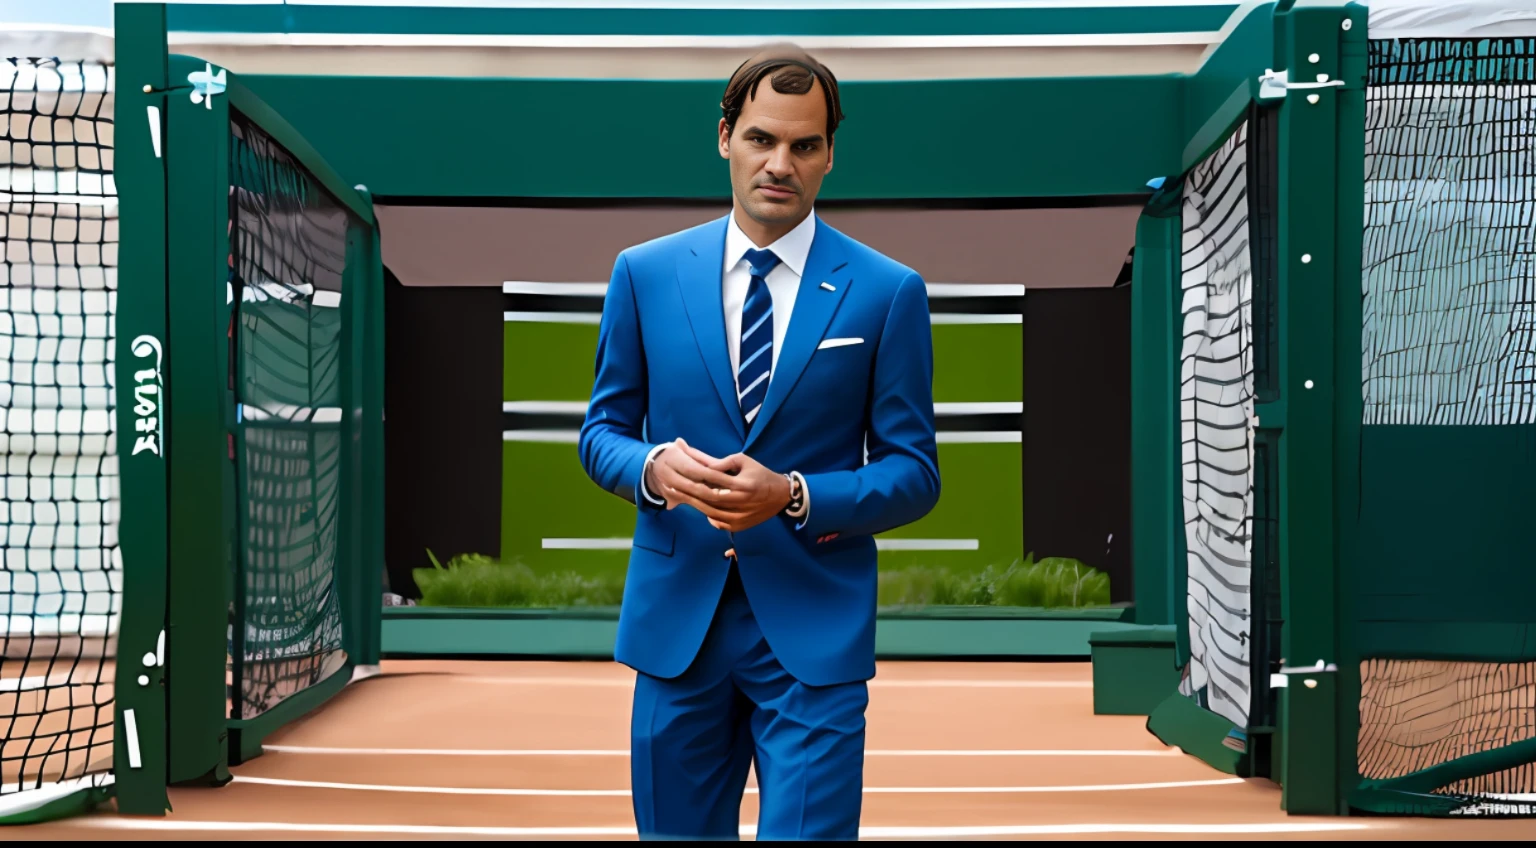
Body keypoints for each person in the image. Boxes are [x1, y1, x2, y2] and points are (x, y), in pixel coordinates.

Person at [578, 43, 940, 841]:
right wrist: (651, 467)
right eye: (761, 139)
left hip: (815, 630)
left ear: (830, 155)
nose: (781, 163)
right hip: (679, 633)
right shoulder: (643, 273)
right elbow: (600, 434)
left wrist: (797, 495)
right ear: (724, 137)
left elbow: (916, 474)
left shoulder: (887, 292)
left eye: (804, 145)